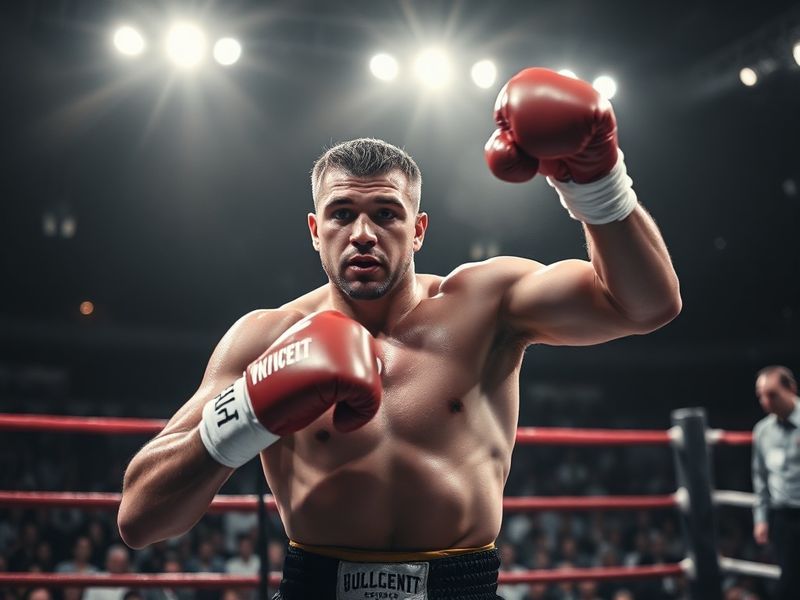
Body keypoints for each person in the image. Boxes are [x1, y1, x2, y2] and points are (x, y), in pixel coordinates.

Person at [118, 67, 681, 599]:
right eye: (341, 214)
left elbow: (645, 306)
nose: (362, 233)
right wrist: (247, 408)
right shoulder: (265, 337)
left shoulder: (487, 304)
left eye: (386, 214)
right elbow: (140, 518)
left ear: (418, 230)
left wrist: (598, 180)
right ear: (315, 231)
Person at [751, 365, 800, 600]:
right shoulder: (762, 431)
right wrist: (760, 518)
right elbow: (760, 477)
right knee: (789, 581)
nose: (765, 401)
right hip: (782, 516)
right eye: (761, 395)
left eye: (772, 394)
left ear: (791, 389)